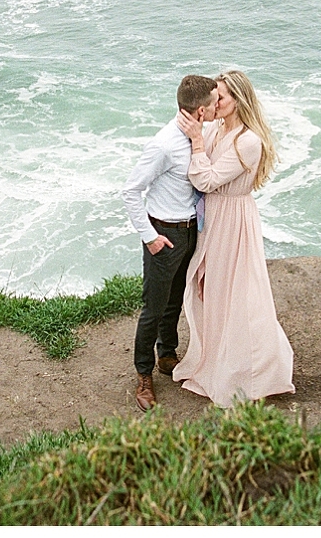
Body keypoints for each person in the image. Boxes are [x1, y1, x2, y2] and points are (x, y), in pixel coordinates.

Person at [171, 69, 294, 406]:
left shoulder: (248, 141)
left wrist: (197, 140)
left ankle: (250, 372)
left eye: (221, 96)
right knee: (210, 288)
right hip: (214, 218)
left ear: (238, 100)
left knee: (237, 293)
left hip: (232, 220)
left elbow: (206, 180)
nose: (215, 101)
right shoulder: (218, 128)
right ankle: (216, 360)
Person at [122, 74, 219, 411]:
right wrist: (150, 237)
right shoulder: (163, 145)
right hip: (164, 232)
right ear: (202, 113)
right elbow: (131, 191)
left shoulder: (198, 136)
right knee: (153, 307)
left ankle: (167, 352)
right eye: (215, 102)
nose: (219, 106)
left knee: (175, 298)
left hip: (191, 229)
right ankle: (144, 374)